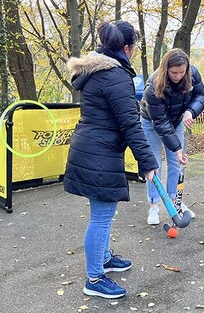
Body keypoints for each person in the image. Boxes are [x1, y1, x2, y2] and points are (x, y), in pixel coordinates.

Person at [64, 20, 159, 299]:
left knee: (105, 212)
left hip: (95, 148)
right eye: (134, 48)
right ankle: (94, 278)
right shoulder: (115, 76)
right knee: (102, 216)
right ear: (127, 48)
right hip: (99, 153)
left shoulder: (97, 70)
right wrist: (148, 162)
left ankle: (104, 258)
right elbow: (131, 124)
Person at [140, 48, 204, 225]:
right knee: (154, 164)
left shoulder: (192, 74)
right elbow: (161, 122)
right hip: (152, 122)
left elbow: (201, 95)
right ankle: (154, 205)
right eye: (173, 73)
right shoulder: (153, 86)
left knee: (176, 163)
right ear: (166, 69)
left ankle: (175, 203)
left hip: (177, 120)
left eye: (181, 72)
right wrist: (177, 148)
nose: (178, 76)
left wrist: (190, 111)